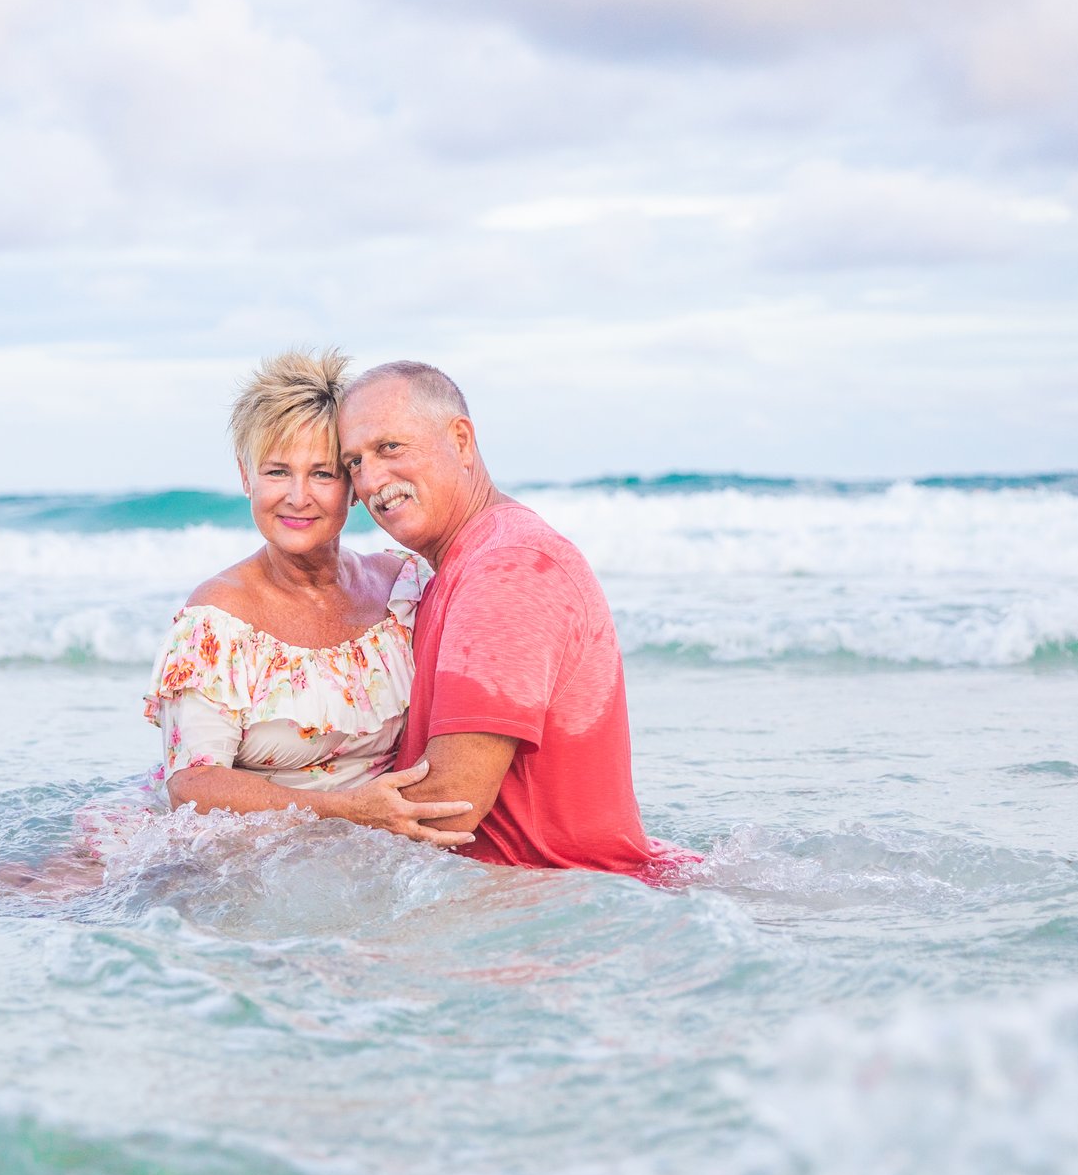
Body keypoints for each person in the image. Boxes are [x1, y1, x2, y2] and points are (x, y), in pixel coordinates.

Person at [337, 360, 683, 877]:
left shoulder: (509, 568)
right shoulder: (460, 568)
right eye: (353, 463)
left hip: (562, 909)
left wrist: (259, 827)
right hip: (538, 897)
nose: (371, 480)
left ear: (460, 440)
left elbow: (447, 805)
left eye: (389, 448)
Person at [143, 349, 474, 846]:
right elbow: (194, 786)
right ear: (245, 476)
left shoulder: (404, 590)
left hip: (363, 846)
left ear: (354, 485)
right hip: (241, 850)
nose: (298, 496)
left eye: (323, 473)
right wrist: (348, 812)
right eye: (277, 472)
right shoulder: (217, 621)